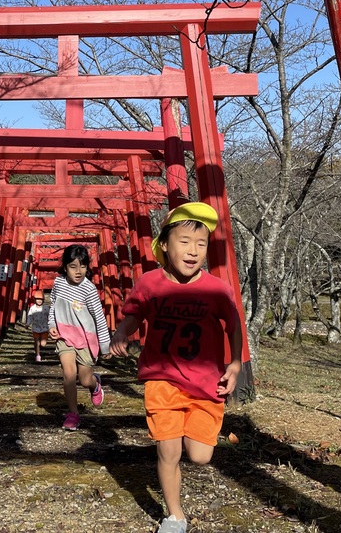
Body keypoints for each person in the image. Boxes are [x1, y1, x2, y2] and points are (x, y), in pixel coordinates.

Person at [110, 203, 243, 533]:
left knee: (199, 456)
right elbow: (134, 315)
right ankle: (174, 515)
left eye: (200, 244)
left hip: (205, 383)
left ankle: (190, 429)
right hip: (162, 380)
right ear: (165, 245)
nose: (193, 251)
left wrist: (236, 363)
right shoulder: (150, 283)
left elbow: (234, 325)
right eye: (184, 242)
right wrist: (121, 333)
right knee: (168, 451)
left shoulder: (215, 289)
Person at [48, 243, 111, 431]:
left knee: (84, 380)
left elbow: (99, 317)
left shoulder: (89, 289)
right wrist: (52, 325)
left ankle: (95, 384)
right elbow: (53, 306)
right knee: (69, 374)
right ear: (65, 266)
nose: (78, 271)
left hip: (85, 338)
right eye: (73, 266)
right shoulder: (59, 283)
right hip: (64, 336)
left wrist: (105, 345)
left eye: (82, 266)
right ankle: (73, 414)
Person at [26, 289, 51, 362]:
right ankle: (38, 355)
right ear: (35, 300)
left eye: (41, 299)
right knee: (37, 342)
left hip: (45, 328)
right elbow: (30, 316)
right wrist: (28, 324)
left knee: (43, 344)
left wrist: (51, 324)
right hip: (35, 328)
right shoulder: (32, 308)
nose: (39, 301)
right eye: (37, 299)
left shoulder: (46, 308)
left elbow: (50, 316)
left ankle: (39, 348)